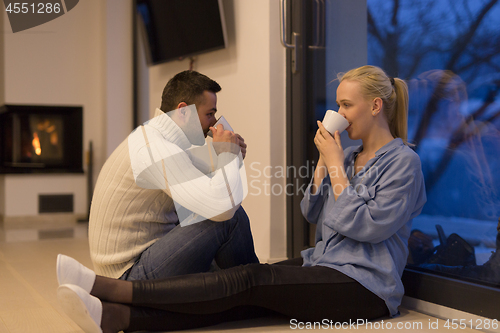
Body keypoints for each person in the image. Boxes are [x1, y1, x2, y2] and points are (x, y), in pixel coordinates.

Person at [57, 65, 427, 333]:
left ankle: (113, 290)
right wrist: (326, 161)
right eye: (338, 105)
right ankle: (116, 318)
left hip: (365, 288)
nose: (338, 114)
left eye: (346, 105)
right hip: (326, 265)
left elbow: (366, 226)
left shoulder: (403, 163)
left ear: (376, 107)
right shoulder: (347, 158)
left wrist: (334, 165)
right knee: (244, 287)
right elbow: (312, 211)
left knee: (251, 279)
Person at [88, 70, 258, 281]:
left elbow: (203, 181)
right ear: (184, 111)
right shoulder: (155, 148)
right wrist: (228, 157)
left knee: (224, 218)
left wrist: (228, 154)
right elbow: (222, 208)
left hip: (141, 259)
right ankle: (260, 288)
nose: (214, 123)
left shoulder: (158, 139)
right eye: (209, 114)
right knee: (228, 219)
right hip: (128, 275)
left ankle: (250, 287)